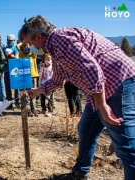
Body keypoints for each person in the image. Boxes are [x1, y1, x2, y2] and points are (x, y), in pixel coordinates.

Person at [19, 15, 135, 180]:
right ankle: (80, 173)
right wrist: (39, 90)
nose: (30, 47)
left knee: (125, 145)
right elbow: (58, 79)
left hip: (117, 83)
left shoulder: (60, 39)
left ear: (38, 36)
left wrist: (102, 105)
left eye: (29, 42)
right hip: (100, 89)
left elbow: (93, 70)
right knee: (86, 128)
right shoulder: (54, 46)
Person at [17, 42, 39, 116]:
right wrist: (24, 41)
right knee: (25, 94)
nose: (27, 48)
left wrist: (31, 45)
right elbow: (17, 46)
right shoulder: (22, 54)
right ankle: (27, 110)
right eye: (26, 46)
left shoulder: (33, 53)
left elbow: (36, 48)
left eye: (29, 46)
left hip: (32, 75)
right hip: (24, 75)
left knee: (33, 92)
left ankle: (34, 109)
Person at [3, 34, 19, 109]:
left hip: (15, 70)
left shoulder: (15, 48)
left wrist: (11, 56)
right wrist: (7, 57)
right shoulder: (4, 48)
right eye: (8, 40)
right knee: (8, 88)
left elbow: (17, 57)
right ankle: (9, 103)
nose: (10, 42)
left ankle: (17, 102)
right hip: (6, 70)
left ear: (14, 41)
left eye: (11, 41)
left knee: (16, 87)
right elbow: (2, 58)